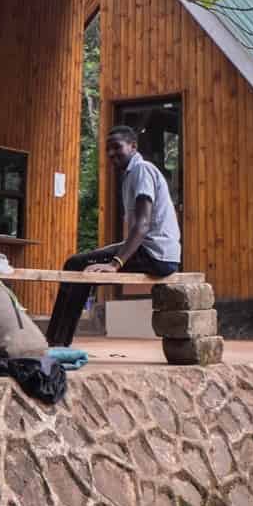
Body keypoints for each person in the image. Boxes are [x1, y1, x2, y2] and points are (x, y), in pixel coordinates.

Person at [44, 126, 181, 346]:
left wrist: (115, 263)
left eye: (117, 147)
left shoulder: (141, 170)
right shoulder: (130, 175)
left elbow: (143, 224)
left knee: (77, 265)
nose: (111, 154)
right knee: (79, 262)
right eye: (108, 149)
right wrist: (110, 253)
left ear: (133, 146)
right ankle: (54, 340)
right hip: (154, 250)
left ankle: (56, 343)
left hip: (158, 254)